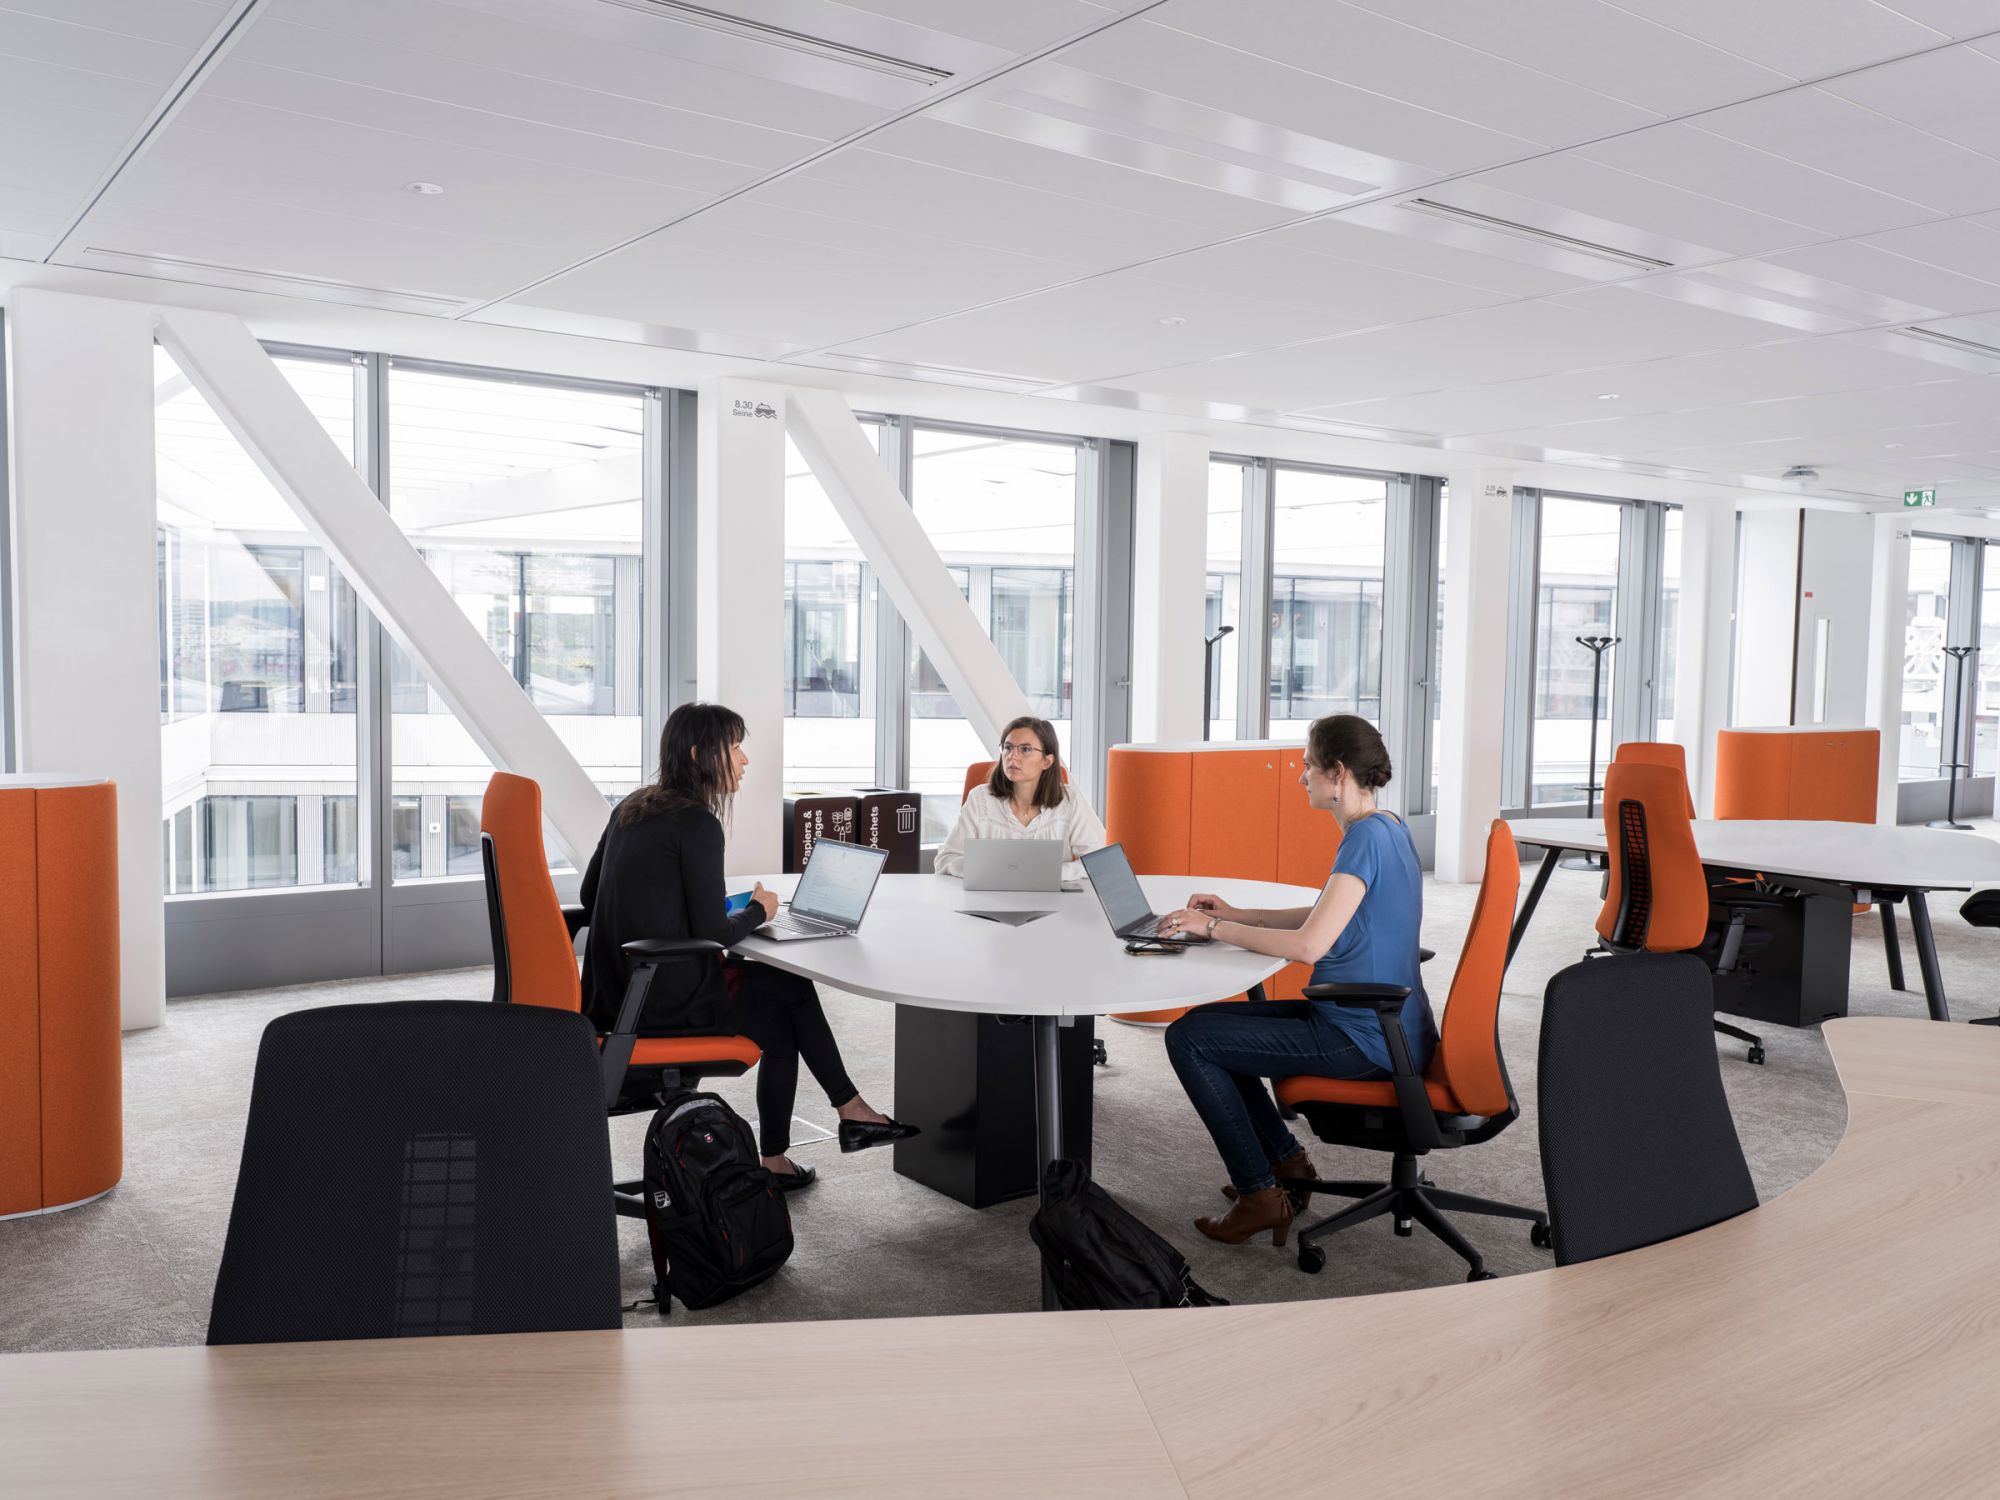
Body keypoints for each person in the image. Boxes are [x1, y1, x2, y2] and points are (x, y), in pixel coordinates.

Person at [580, 702, 917, 1192]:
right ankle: (847, 1114)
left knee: (782, 1007)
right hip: (660, 1003)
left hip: (614, 992)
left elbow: (589, 896)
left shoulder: (631, 807)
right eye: (734, 747)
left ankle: (821, 1132)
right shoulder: (697, 822)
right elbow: (714, 932)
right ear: (699, 754)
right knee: (790, 996)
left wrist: (677, 907)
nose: (744, 759)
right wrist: (761, 909)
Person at [1158, 714, 1430, 1248]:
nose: (1301, 776)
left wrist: (1211, 928)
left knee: (1189, 1040)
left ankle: (1259, 1194)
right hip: (1384, 1023)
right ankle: (1287, 1165)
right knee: (1206, 1026)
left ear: (1338, 772)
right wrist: (1238, 914)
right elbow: (1327, 913)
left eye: (1308, 765)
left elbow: (1309, 946)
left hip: (1361, 1038)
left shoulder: (1363, 840)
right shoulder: (1388, 827)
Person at [932, 715, 1106, 883]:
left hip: (1051, 897)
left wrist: (1053, 873)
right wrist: (988, 871)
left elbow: (1097, 862)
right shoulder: (980, 799)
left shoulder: (1068, 800)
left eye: (1025, 749)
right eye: (1008, 747)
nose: (1012, 756)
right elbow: (946, 859)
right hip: (991, 895)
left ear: (1046, 761)